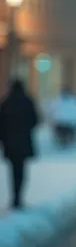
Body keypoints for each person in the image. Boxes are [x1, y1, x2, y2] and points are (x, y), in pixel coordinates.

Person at [0, 79, 39, 209]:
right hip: (23, 142)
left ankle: (14, 197)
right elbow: (34, 120)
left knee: (12, 171)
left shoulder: (6, 103)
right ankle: (18, 197)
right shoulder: (27, 101)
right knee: (21, 170)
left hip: (9, 143)